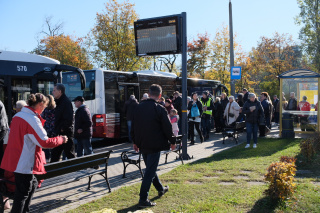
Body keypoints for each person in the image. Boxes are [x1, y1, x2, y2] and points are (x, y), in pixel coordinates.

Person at [1, 93, 68, 213]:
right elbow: (44, 142)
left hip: (16, 160)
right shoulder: (31, 119)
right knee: (22, 195)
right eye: (44, 107)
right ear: (40, 104)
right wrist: (61, 139)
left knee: (31, 185)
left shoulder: (18, 116)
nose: (44, 110)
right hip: (23, 163)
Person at [131, 84, 175, 207]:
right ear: (160, 96)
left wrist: (135, 141)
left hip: (143, 144)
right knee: (150, 172)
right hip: (154, 145)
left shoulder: (138, 107)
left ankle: (161, 188)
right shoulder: (159, 109)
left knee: (151, 169)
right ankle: (143, 199)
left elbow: (134, 126)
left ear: (149, 93)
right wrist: (173, 141)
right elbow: (167, 127)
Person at [50, 83, 75, 162]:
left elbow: (69, 119)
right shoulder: (59, 102)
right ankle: (53, 173)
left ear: (60, 91)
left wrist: (62, 129)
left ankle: (76, 172)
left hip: (65, 133)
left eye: (54, 90)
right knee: (55, 155)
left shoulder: (65, 102)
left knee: (69, 155)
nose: (52, 92)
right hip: (59, 133)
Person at [41, 95, 56, 161]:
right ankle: (53, 157)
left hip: (46, 128)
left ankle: (46, 158)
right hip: (53, 128)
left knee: (46, 144)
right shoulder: (55, 109)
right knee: (53, 144)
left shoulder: (45, 109)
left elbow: (42, 118)